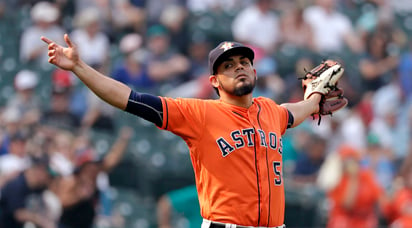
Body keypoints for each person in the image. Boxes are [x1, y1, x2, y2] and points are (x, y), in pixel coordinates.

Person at [41, 34, 340, 227]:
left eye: (244, 62)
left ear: (255, 71)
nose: (238, 67)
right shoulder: (199, 113)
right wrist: (80, 68)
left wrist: (314, 99)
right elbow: (129, 99)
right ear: (214, 81)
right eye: (228, 66)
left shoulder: (271, 112)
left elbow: (298, 110)